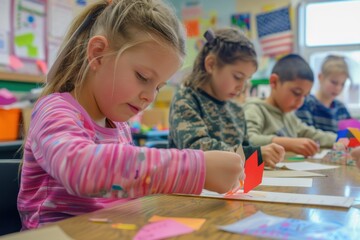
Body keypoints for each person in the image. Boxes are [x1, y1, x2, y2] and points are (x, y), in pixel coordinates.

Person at [17, 0, 245, 230]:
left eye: (158, 86)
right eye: (143, 77)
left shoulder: (120, 125)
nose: (150, 97)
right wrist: (196, 168)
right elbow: (80, 168)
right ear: (98, 55)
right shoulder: (54, 110)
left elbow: (128, 187)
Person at [168, 28, 285, 168]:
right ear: (211, 64)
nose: (241, 87)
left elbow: (245, 148)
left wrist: (263, 155)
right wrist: (255, 154)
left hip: (232, 188)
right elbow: (197, 149)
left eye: (246, 79)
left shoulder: (236, 110)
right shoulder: (186, 100)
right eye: (237, 77)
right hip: (192, 187)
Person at [243, 54, 337, 157]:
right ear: (274, 82)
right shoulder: (254, 109)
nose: (300, 101)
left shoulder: (289, 116)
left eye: (305, 96)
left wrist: (341, 139)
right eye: (296, 93)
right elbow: (248, 141)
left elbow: (312, 134)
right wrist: (288, 143)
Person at [295, 55, 351, 133]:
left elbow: (352, 135)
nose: (338, 88)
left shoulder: (341, 109)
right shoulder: (306, 104)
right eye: (334, 82)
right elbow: (306, 135)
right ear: (320, 77)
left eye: (342, 84)